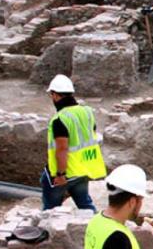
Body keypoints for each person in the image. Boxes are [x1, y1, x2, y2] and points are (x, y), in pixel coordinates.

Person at [42, 74, 106, 211]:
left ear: (55, 95)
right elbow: (90, 132)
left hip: (66, 173)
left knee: (50, 210)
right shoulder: (87, 112)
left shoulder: (60, 119)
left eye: (52, 95)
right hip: (83, 169)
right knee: (86, 206)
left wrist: (60, 175)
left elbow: (62, 149)